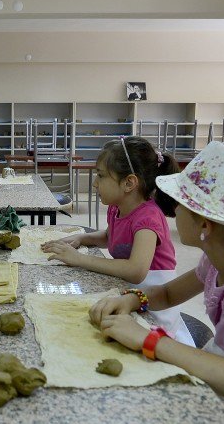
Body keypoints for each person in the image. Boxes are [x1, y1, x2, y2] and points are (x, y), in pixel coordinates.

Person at [89, 141, 224, 421]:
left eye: (179, 206)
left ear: (205, 225)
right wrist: (133, 299)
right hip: (220, 374)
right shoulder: (217, 260)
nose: (172, 213)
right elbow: (169, 294)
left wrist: (149, 340)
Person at [42, 136, 194, 345]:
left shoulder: (148, 218)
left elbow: (136, 270)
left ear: (129, 183)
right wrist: (81, 237)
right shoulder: (117, 208)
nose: (95, 183)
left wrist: (79, 259)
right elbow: (110, 237)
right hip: (128, 293)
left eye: (101, 176)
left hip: (155, 310)